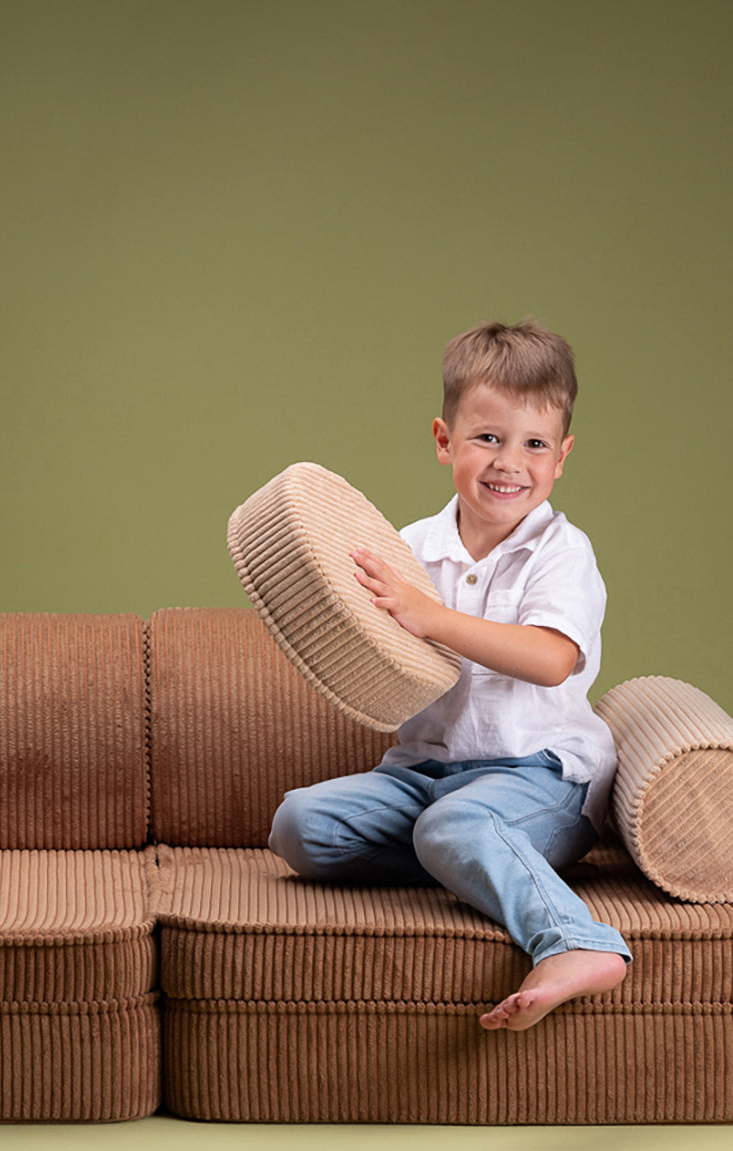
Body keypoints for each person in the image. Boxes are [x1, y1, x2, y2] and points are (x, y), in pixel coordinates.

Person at [268, 320, 630, 1032]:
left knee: (458, 821)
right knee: (299, 825)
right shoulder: (409, 547)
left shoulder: (561, 552)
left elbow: (550, 656)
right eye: (487, 438)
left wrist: (429, 618)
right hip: (424, 772)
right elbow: (374, 650)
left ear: (562, 458)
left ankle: (580, 943)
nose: (509, 462)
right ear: (444, 441)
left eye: (534, 445)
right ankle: (467, 852)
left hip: (541, 775)